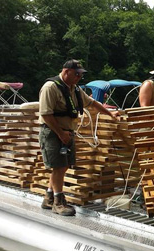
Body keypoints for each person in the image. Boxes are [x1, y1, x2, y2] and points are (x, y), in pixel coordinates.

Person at [39, 59, 119, 216]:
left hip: (67, 131)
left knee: (63, 166)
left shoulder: (74, 89)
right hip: (52, 132)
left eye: (81, 75)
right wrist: (60, 134)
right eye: (76, 74)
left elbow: (92, 103)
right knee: (59, 167)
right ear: (66, 71)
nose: (79, 77)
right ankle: (58, 203)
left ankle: (48, 198)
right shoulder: (50, 88)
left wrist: (110, 114)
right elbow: (46, 114)